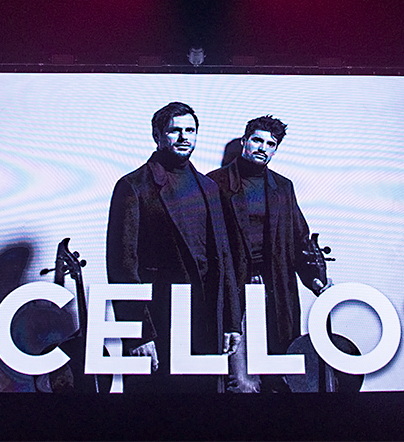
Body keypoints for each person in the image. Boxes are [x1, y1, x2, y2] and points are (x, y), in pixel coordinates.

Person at [106, 102, 241, 392]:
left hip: (206, 318)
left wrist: (232, 321)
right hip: (159, 321)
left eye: (190, 131)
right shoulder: (133, 186)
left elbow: (224, 257)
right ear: (157, 135)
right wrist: (139, 333)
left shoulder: (209, 187)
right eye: (174, 130)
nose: (183, 137)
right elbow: (122, 267)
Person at [208, 115, 328, 393]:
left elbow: (299, 237)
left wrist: (315, 279)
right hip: (233, 287)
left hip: (275, 286)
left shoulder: (283, 187)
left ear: (275, 149)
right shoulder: (215, 183)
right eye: (257, 140)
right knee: (241, 382)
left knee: (280, 375)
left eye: (270, 144)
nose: (262, 147)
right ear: (245, 141)